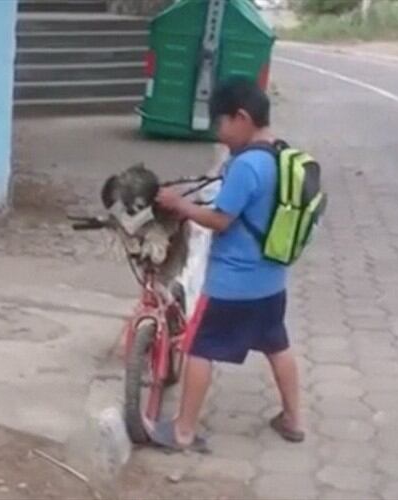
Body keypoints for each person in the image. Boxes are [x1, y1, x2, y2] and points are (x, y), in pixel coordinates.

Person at [149, 77, 304, 451]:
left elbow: (221, 219)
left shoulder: (248, 165)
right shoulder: (281, 155)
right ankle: (293, 420)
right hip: (271, 280)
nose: (219, 133)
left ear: (242, 117)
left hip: (233, 284)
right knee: (276, 344)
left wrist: (180, 204)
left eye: (221, 123)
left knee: (200, 349)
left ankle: (183, 431)